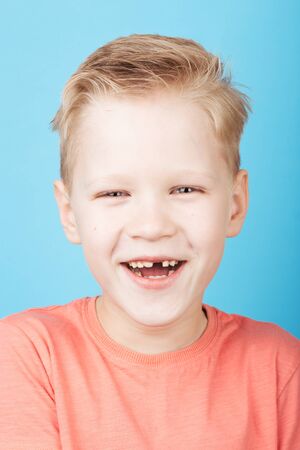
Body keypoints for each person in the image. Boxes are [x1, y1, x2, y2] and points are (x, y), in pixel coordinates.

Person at [0, 34, 299, 449]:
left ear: (235, 204)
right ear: (70, 213)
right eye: (114, 194)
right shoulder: (26, 355)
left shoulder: (283, 370)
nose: (152, 226)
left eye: (184, 190)